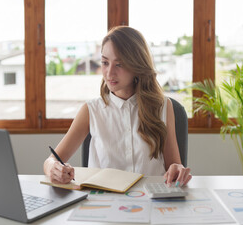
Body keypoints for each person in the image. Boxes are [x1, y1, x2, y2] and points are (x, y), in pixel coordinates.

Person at [44, 26, 192, 187]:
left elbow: (174, 165)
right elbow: (52, 160)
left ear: (137, 65)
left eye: (119, 64)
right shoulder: (91, 110)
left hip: (151, 201)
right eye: (105, 63)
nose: (109, 73)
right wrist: (54, 168)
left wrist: (178, 169)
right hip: (102, 204)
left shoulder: (163, 107)